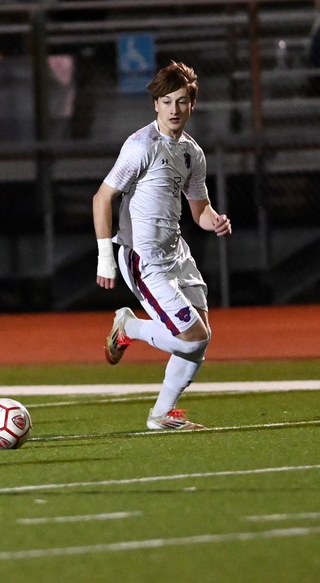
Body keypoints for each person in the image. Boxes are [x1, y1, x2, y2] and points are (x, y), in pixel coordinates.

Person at [91, 62, 232, 431]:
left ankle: (161, 414)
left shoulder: (192, 153)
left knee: (201, 336)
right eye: (166, 101)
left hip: (177, 253)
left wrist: (214, 220)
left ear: (191, 105)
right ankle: (130, 327)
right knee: (193, 337)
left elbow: (199, 210)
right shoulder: (140, 146)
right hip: (143, 258)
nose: (173, 109)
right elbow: (102, 198)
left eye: (181, 102)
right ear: (155, 105)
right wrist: (105, 258)